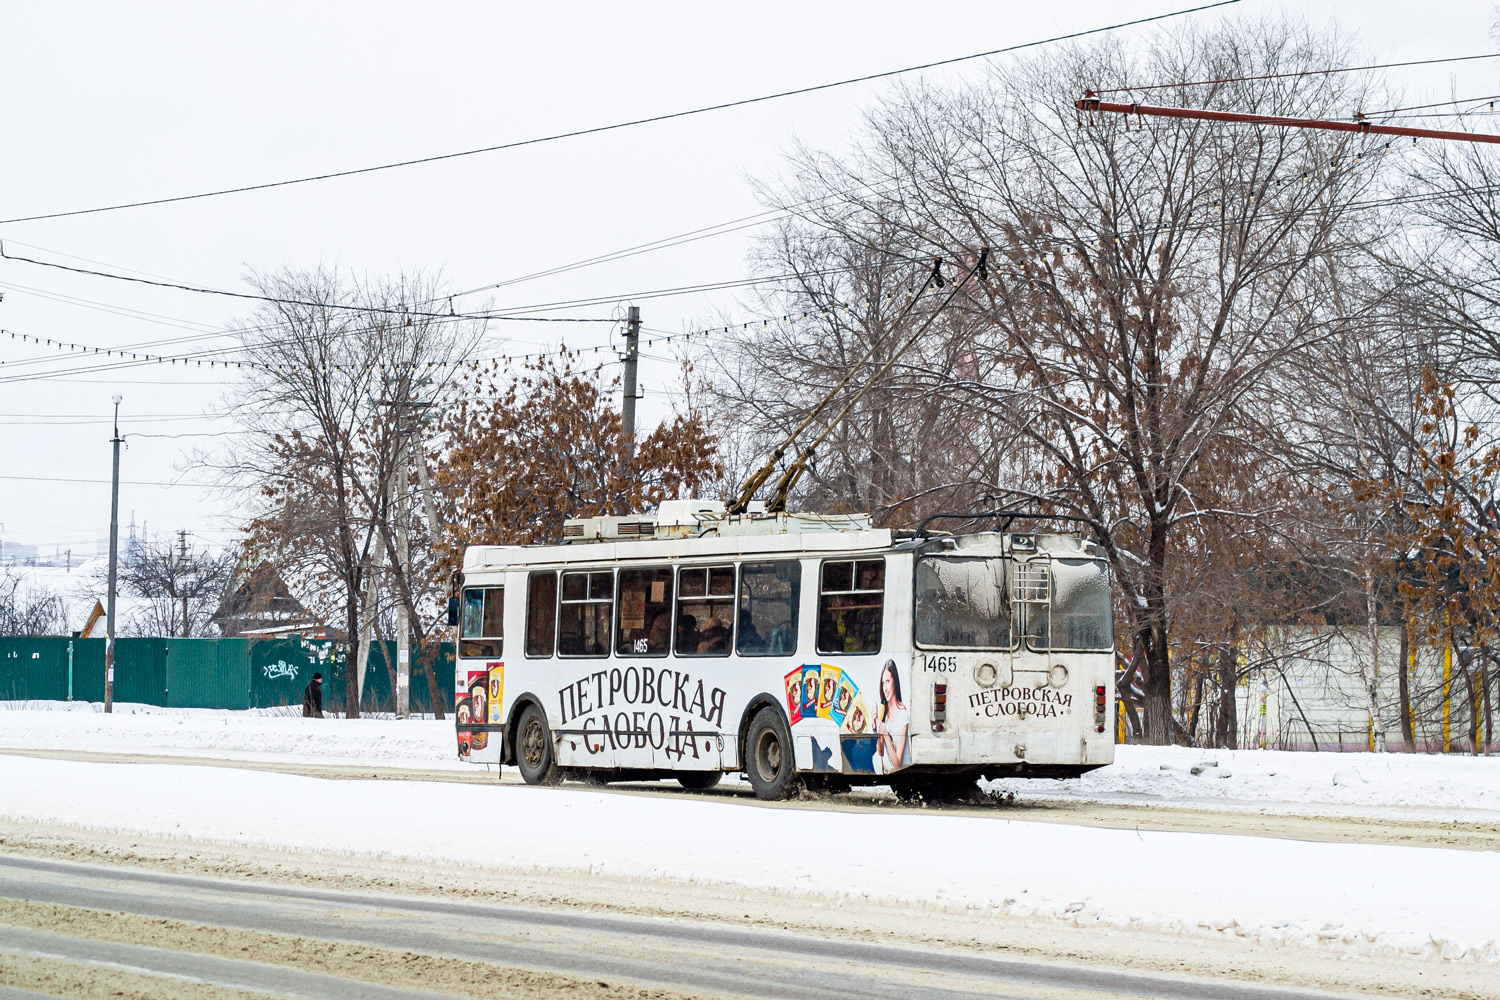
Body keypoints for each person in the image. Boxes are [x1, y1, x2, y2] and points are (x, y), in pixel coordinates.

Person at [873, 660, 907, 770]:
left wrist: (886, 734)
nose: (885, 688)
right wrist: (876, 726)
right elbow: (881, 751)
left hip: (903, 771)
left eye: (888, 681)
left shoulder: (903, 714)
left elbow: (898, 764)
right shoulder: (885, 712)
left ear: (895, 682)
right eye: (883, 683)